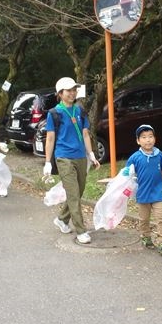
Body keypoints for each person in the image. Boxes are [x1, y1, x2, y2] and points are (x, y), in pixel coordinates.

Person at [43, 77, 100, 244]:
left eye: (74, 90)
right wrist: (47, 162)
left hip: (81, 156)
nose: (73, 93)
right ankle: (81, 230)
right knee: (73, 194)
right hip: (63, 157)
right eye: (69, 90)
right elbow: (50, 138)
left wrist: (91, 154)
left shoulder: (80, 111)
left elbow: (85, 134)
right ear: (60, 94)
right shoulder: (54, 113)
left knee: (78, 191)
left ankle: (62, 219)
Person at [122, 124, 162, 256]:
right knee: (144, 219)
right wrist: (126, 173)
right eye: (143, 137)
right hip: (142, 193)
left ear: (155, 139)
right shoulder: (135, 157)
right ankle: (146, 236)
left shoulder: (159, 155)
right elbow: (128, 173)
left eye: (150, 136)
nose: (148, 140)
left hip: (157, 192)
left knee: (160, 218)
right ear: (138, 141)